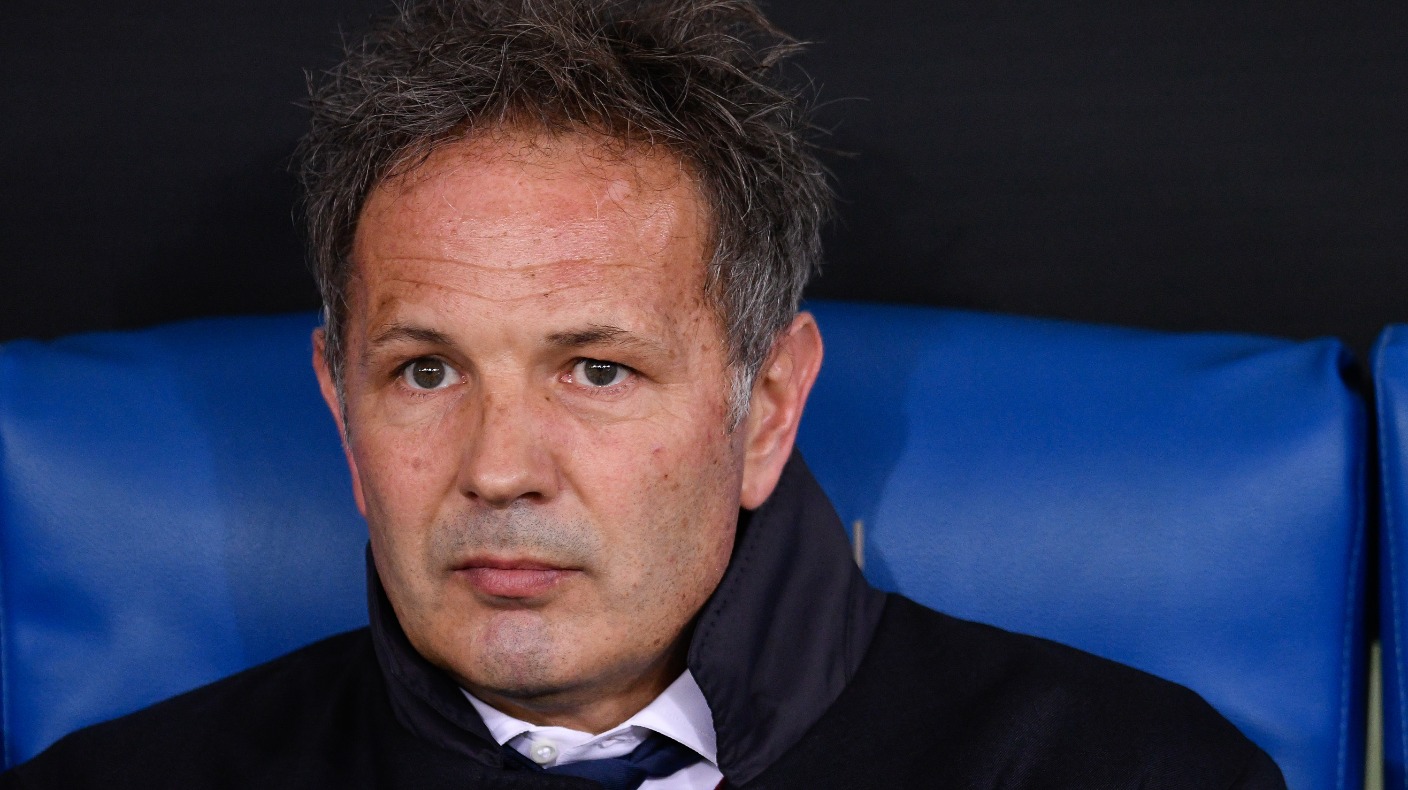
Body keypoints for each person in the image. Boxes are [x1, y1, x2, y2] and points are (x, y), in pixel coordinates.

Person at [4, 0, 1286, 787]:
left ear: (764, 406)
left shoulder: (1126, 770)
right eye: (426, 369)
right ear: (342, 409)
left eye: (597, 369)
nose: (499, 468)